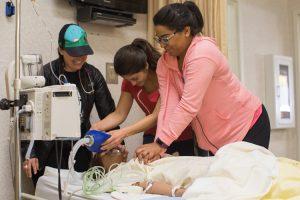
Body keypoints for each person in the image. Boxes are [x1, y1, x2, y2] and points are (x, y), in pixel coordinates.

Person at [136, 1, 270, 163]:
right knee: (224, 184)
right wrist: (160, 144)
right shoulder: (165, 63)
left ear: (186, 31)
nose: (162, 45)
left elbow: (189, 105)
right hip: (217, 137)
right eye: (158, 39)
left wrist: (160, 144)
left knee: (244, 184)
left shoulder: (203, 54)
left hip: (247, 126)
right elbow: (168, 106)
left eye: (165, 38)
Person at [22, 23, 118, 186]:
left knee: (78, 192)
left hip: (81, 148)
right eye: (74, 53)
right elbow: (26, 116)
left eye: (84, 53)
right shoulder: (44, 74)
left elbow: (110, 114)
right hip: (48, 150)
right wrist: (29, 153)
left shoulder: (92, 76)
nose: (80, 58)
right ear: (61, 49)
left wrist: (117, 144)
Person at [91, 38, 195, 157]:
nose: (133, 84)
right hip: (152, 134)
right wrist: (96, 127)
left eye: (135, 78)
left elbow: (157, 116)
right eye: (128, 79)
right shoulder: (129, 82)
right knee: (147, 171)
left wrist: (122, 133)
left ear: (146, 65)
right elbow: (119, 114)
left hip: (182, 134)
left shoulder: (164, 75)